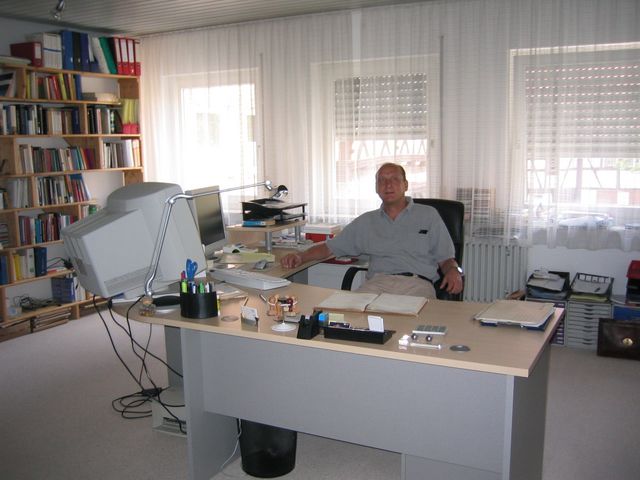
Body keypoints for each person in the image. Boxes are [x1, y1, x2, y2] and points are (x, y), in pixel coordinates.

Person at [280, 163, 463, 298]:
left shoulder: (428, 215)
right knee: (351, 321)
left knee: (412, 327)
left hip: (417, 285)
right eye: (382, 180)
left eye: (394, 179)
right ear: (376, 188)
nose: (388, 185)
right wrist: (300, 256)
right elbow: (330, 247)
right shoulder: (367, 221)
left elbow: (446, 258)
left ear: (405, 185)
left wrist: (453, 271)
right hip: (377, 284)